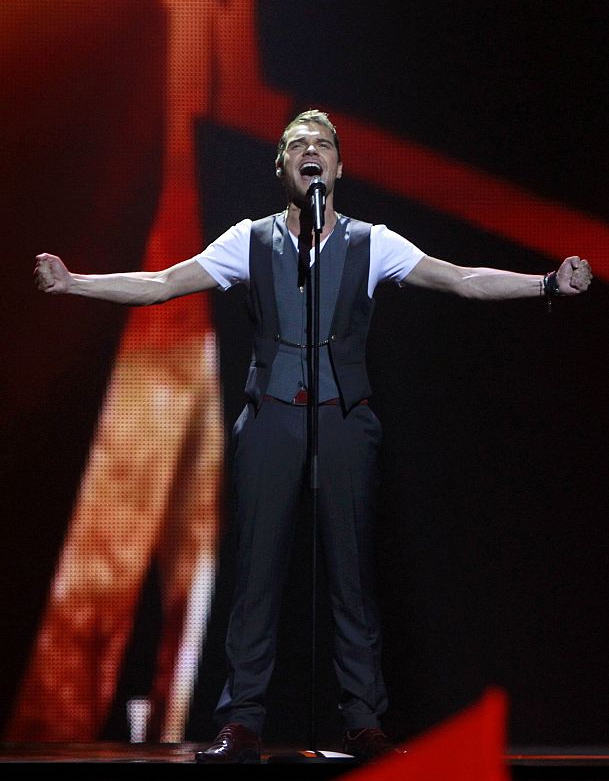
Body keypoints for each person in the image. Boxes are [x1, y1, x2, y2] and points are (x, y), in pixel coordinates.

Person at [34, 109, 593, 764]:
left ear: (338, 166)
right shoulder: (249, 240)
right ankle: (242, 722)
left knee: (350, 576)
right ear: (281, 167)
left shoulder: (371, 243)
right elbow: (162, 283)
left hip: (344, 418)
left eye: (322, 143)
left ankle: (362, 722)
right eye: (297, 143)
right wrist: (74, 283)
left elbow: (461, 279)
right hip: (271, 417)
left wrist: (546, 283)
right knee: (257, 575)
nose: (311, 150)